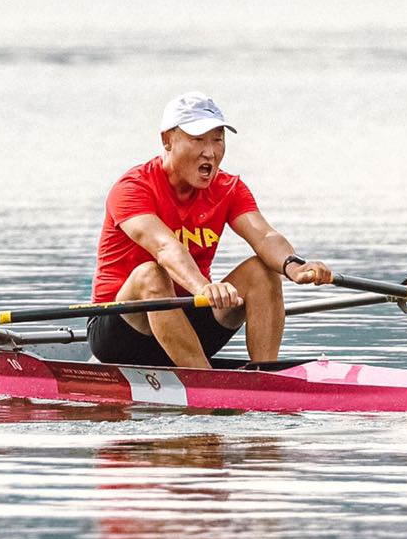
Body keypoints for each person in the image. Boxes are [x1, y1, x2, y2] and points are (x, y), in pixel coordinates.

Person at [88, 92, 332, 369]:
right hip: (123, 330)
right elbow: (166, 248)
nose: (210, 151)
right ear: (167, 140)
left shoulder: (229, 188)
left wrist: (294, 266)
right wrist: (204, 288)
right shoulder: (133, 188)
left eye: (217, 139)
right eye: (198, 139)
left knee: (262, 271)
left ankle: (266, 377)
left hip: (187, 321)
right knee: (151, 273)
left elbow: (265, 236)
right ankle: (202, 379)